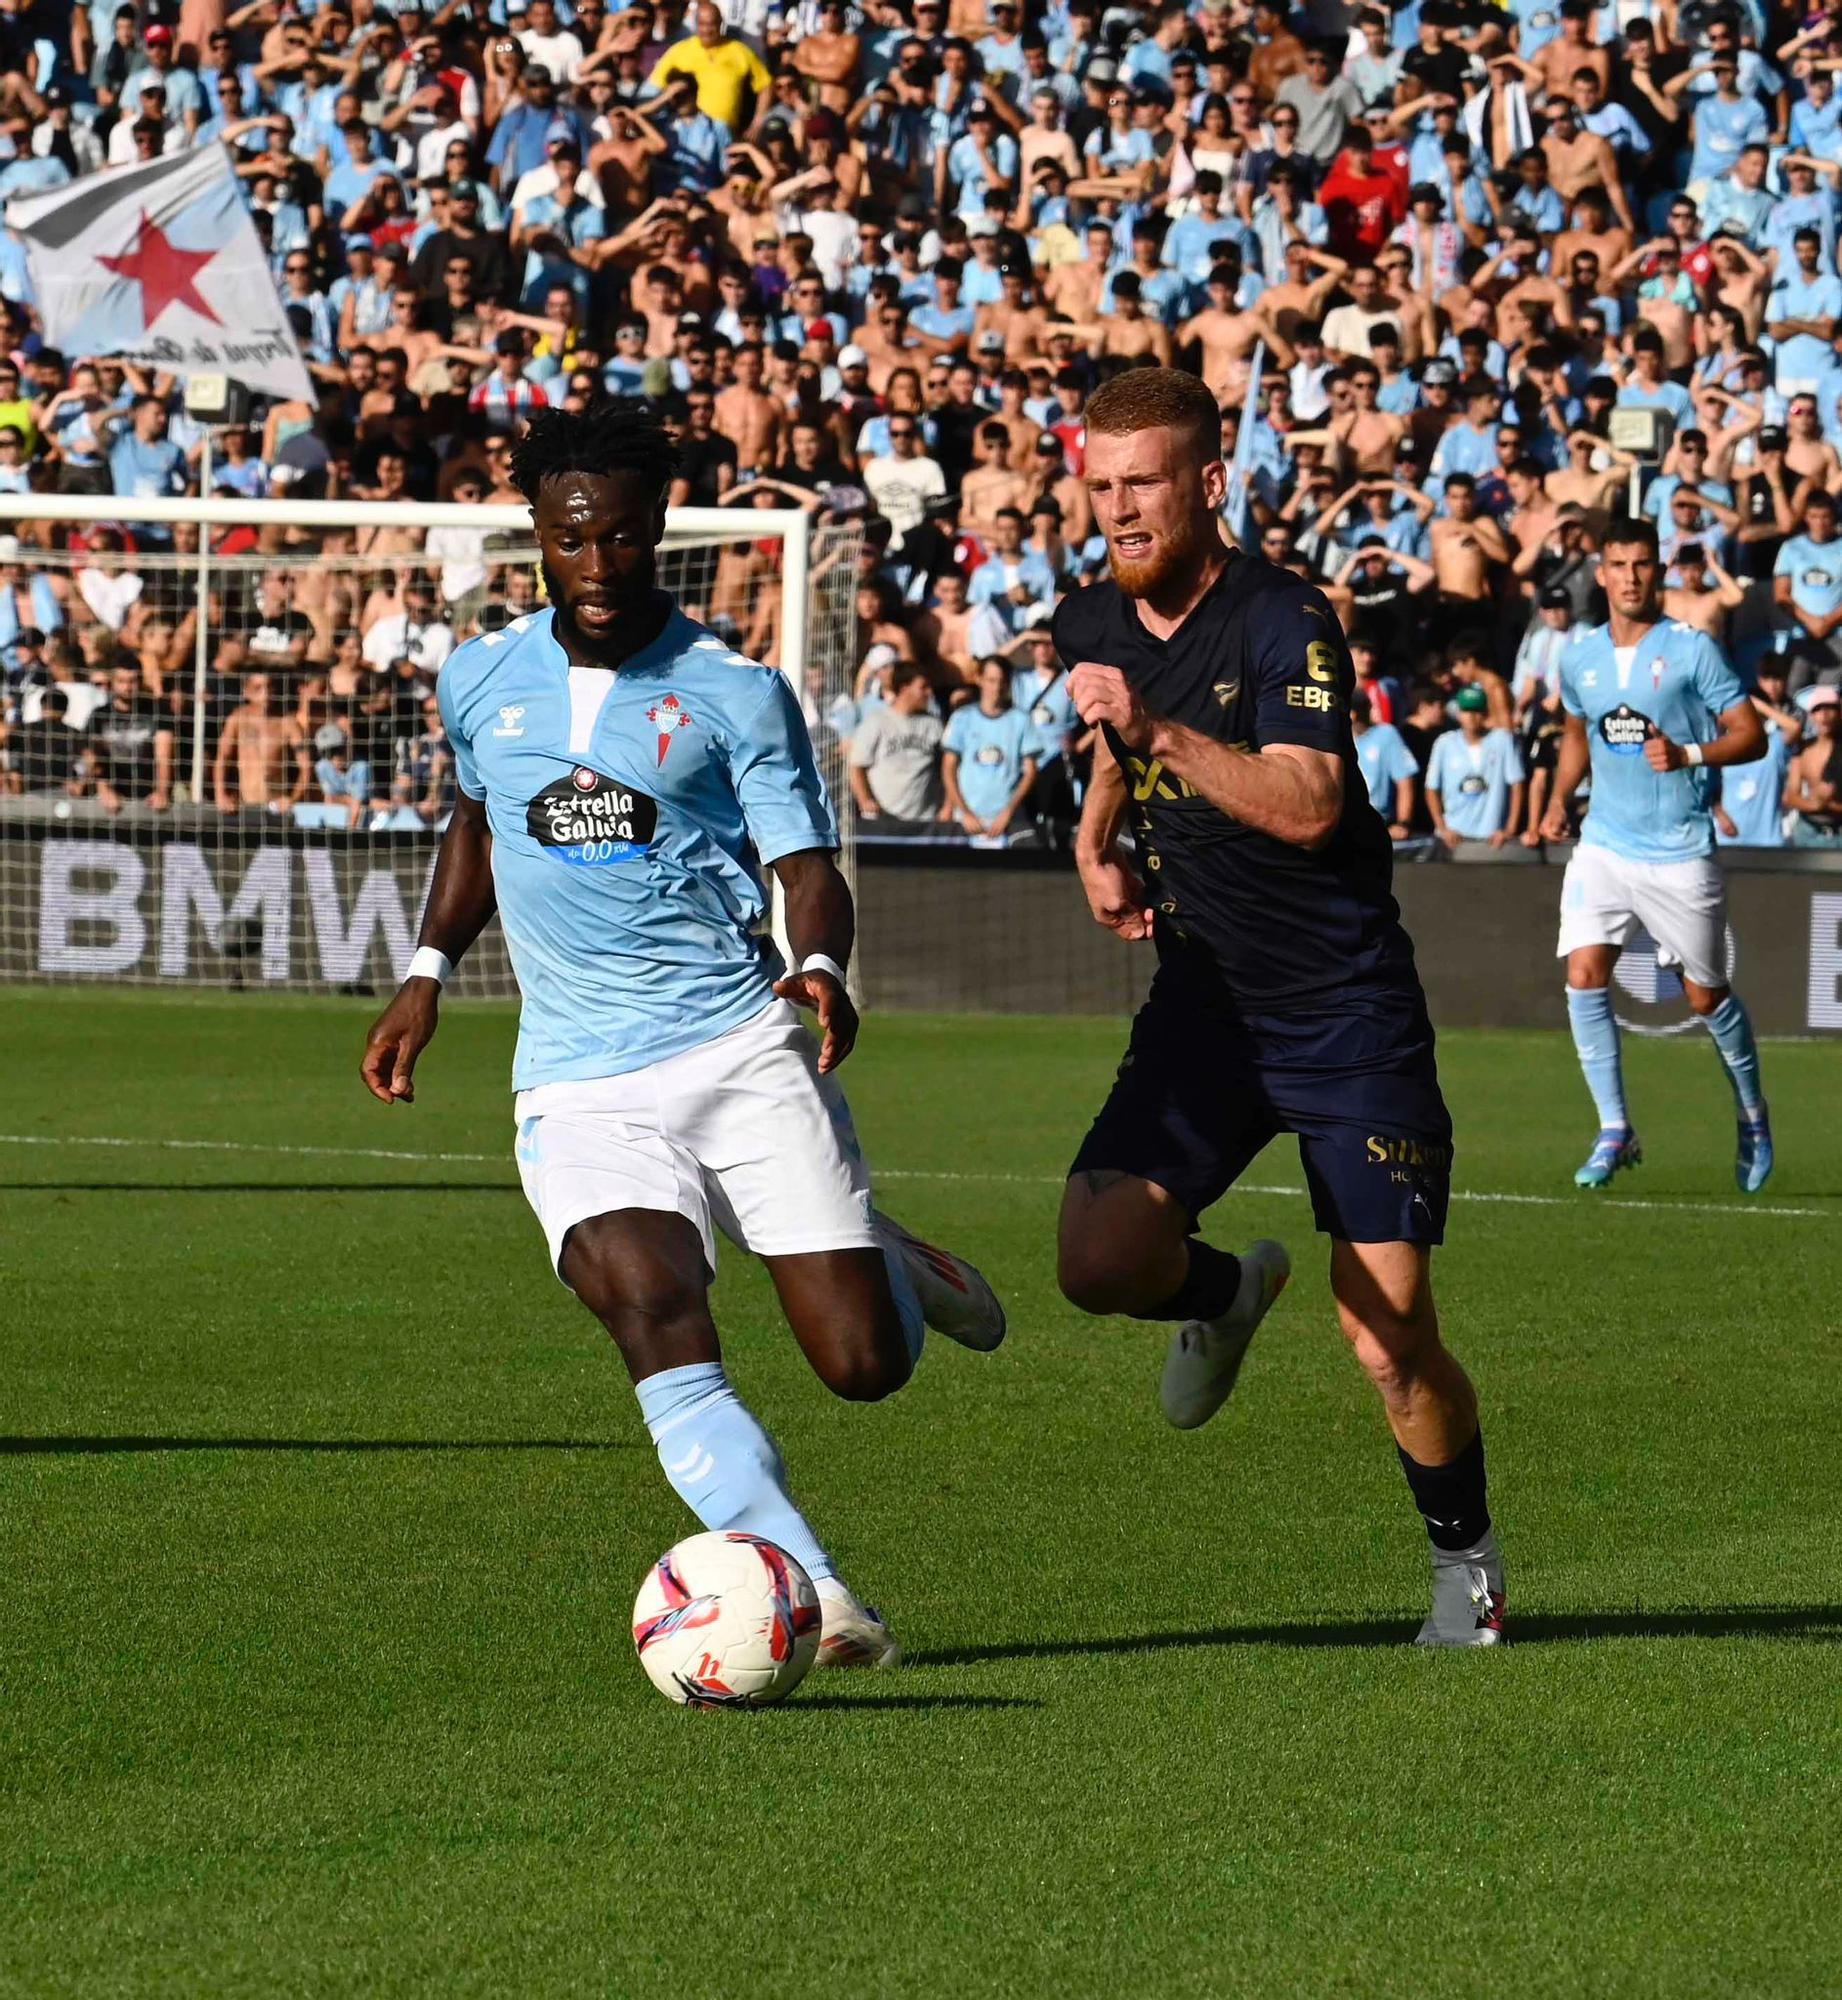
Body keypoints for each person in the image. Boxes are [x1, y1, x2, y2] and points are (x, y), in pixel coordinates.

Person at [359, 400, 1004, 1671]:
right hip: (576, 1078)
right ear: (538, 537)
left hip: (735, 1044)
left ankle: (886, 1259)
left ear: (660, 531)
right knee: (648, 1303)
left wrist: (818, 959)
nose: (597, 567)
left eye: (622, 538)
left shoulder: (734, 693)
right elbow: (481, 822)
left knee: (862, 1367)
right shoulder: (481, 674)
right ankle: (814, 1589)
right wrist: (427, 969)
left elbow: (805, 864)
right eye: (570, 539)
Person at [1051, 369, 1504, 1649]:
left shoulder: (1284, 618)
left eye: (1144, 483)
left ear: (1208, 482)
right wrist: (1098, 835)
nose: (1121, 510)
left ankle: (1465, 1559)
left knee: (1389, 1340)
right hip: (1208, 996)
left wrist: (1164, 732)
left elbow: (1309, 805)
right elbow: (1109, 735)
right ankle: (1222, 1294)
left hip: (1341, 1007)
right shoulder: (1093, 608)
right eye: (1102, 485)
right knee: (1097, 1259)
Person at [1539, 516, 1773, 1194]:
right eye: (1619, 564)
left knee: (1705, 995)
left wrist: (1690, 753)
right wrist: (1559, 798)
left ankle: (1753, 1114)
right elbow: (1576, 732)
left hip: (1677, 849)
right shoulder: (1578, 656)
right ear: (1602, 573)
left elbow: (1751, 733)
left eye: (1643, 563)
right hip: (1605, 843)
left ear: (1659, 569)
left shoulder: (1692, 649)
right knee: (1583, 973)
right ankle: (1615, 1128)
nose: (1632, 576)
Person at [1424, 685, 1526, 849]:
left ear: (1485, 713)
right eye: (1466, 710)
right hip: (1454, 837)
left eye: (1476, 710)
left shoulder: (1502, 740)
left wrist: (1509, 829)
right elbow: (1431, 788)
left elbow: (1517, 784)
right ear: (1458, 713)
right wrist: (1443, 828)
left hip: (1491, 839)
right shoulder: (1444, 743)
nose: (1471, 716)